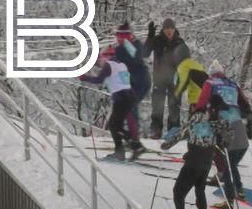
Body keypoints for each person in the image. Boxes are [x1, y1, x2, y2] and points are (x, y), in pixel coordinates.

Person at [158, 104, 229, 209]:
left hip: (194, 161)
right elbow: (226, 132)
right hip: (207, 160)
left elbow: (180, 134)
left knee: (178, 191)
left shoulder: (196, 117)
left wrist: (166, 145)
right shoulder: (216, 118)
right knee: (200, 190)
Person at [199, 61, 252, 205]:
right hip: (238, 125)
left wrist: (197, 113)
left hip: (222, 125)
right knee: (231, 163)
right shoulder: (233, 84)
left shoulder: (210, 83)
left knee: (227, 164)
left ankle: (229, 200)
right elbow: (245, 104)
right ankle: (239, 190)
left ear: (211, 73)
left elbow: (202, 102)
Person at [80, 47, 139, 160]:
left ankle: (130, 148)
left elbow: (99, 80)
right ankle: (130, 146)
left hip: (121, 98)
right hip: (129, 96)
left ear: (106, 56)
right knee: (116, 125)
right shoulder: (122, 64)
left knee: (114, 125)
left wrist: (84, 77)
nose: (101, 61)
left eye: (102, 58)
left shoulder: (109, 65)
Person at [144, 18, 189, 139]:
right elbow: (145, 53)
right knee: (157, 105)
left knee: (174, 106)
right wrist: (150, 35)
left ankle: (173, 132)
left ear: (174, 29)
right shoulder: (157, 40)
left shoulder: (180, 42)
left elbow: (187, 61)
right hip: (159, 78)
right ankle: (156, 131)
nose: (169, 31)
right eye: (166, 28)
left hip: (175, 79)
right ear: (163, 30)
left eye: (171, 28)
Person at [111, 23, 150, 157]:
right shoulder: (124, 47)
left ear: (129, 36)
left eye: (123, 36)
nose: (120, 39)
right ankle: (133, 142)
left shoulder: (132, 46)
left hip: (139, 82)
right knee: (129, 111)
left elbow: (135, 56)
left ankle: (135, 143)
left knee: (129, 110)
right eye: (118, 36)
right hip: (134, 83)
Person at [173, 57, 208, 123]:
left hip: (196, 99)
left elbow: (182, 84)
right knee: (201, 121)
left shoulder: (184, 67)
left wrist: (175, 95)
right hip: (205, 98)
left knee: (192, 123)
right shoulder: (196, 66)